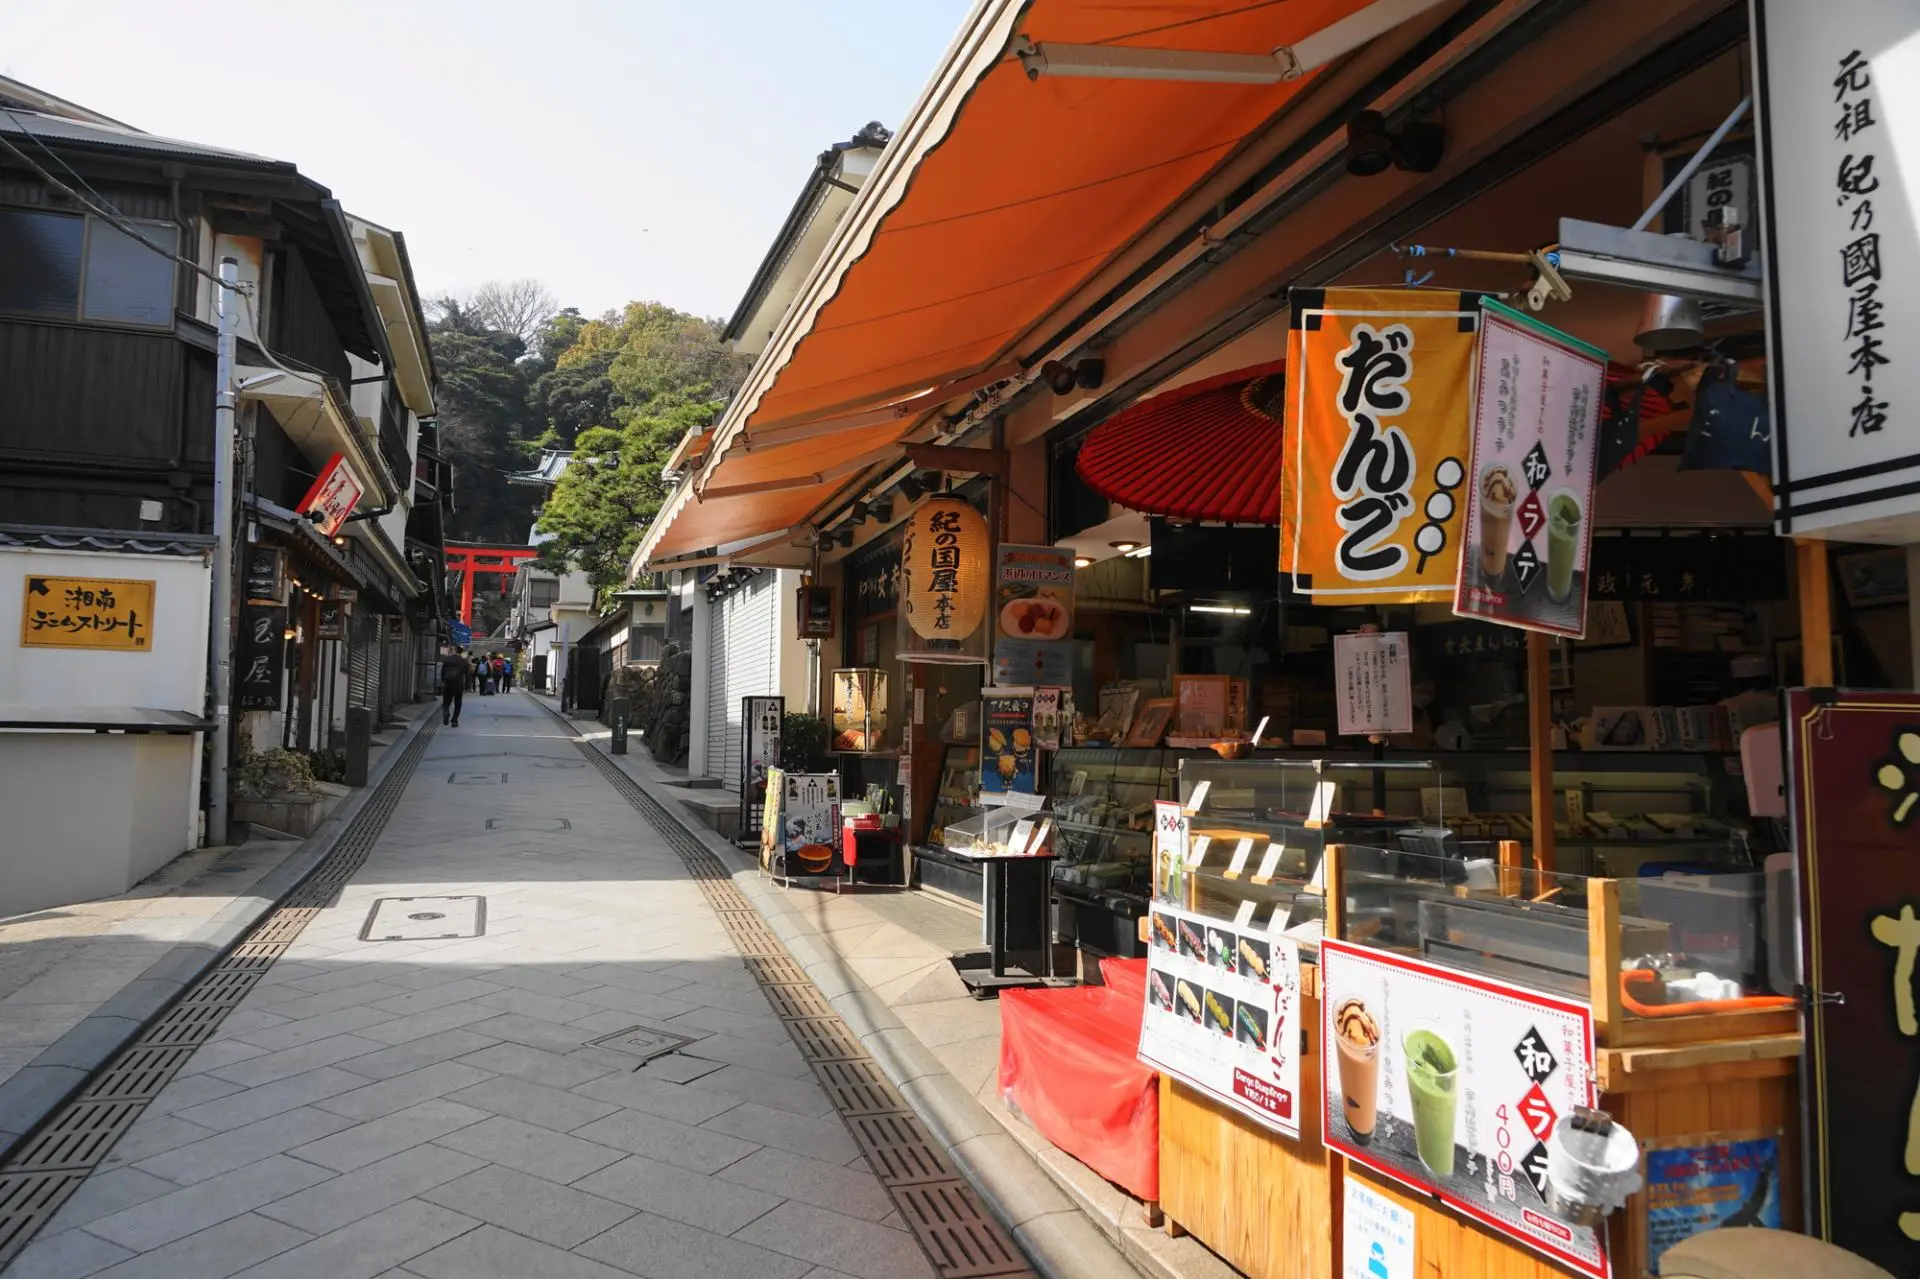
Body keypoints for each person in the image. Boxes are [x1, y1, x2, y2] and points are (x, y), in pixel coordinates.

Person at [438, 645, 468, 727]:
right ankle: (454, 720)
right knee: (458, 703)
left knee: (446, 702)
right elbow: (467, 674)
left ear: (454, 651)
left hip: (448, 684)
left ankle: (446, 712)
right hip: (458, 685)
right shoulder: (463, 661)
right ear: (461, 652)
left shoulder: (447, 659)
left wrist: (443, 681)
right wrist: (467, 686)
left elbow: (443, 672)